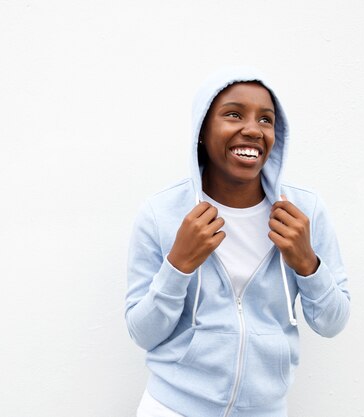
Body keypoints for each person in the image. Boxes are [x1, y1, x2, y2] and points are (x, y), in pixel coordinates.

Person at [125, 67, 351, 417]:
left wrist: (308, 263)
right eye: (233, 114)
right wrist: (178, 265)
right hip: (172, 408)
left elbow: (332, 322)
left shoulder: (304, 212)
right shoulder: (161, 213)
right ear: (202, 129)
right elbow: (142, 332)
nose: (252, 129)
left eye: (266, 119)